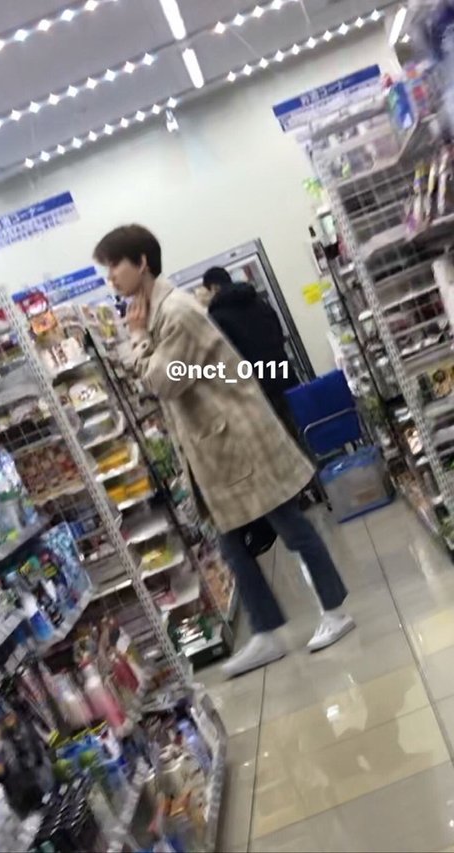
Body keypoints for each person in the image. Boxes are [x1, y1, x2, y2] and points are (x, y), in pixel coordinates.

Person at [94, 225, 355, 679]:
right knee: (231, 544)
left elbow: (163, 381)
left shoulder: (175, 312)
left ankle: (335, 611)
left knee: (290, 526)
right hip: (216, 447)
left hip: (238, 441)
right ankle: (267, 632)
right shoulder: (158, 312)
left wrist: (136, 341)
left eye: (114, 265)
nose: (110, 276)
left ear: (142, 262)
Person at [203, 266, 299, 431]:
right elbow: (277, 331)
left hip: (258, 386)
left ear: (214, 287)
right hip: (283, 371)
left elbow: (226, 357)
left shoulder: (217, 317)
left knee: (282, 432)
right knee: (303, 420)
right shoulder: (257, 301)